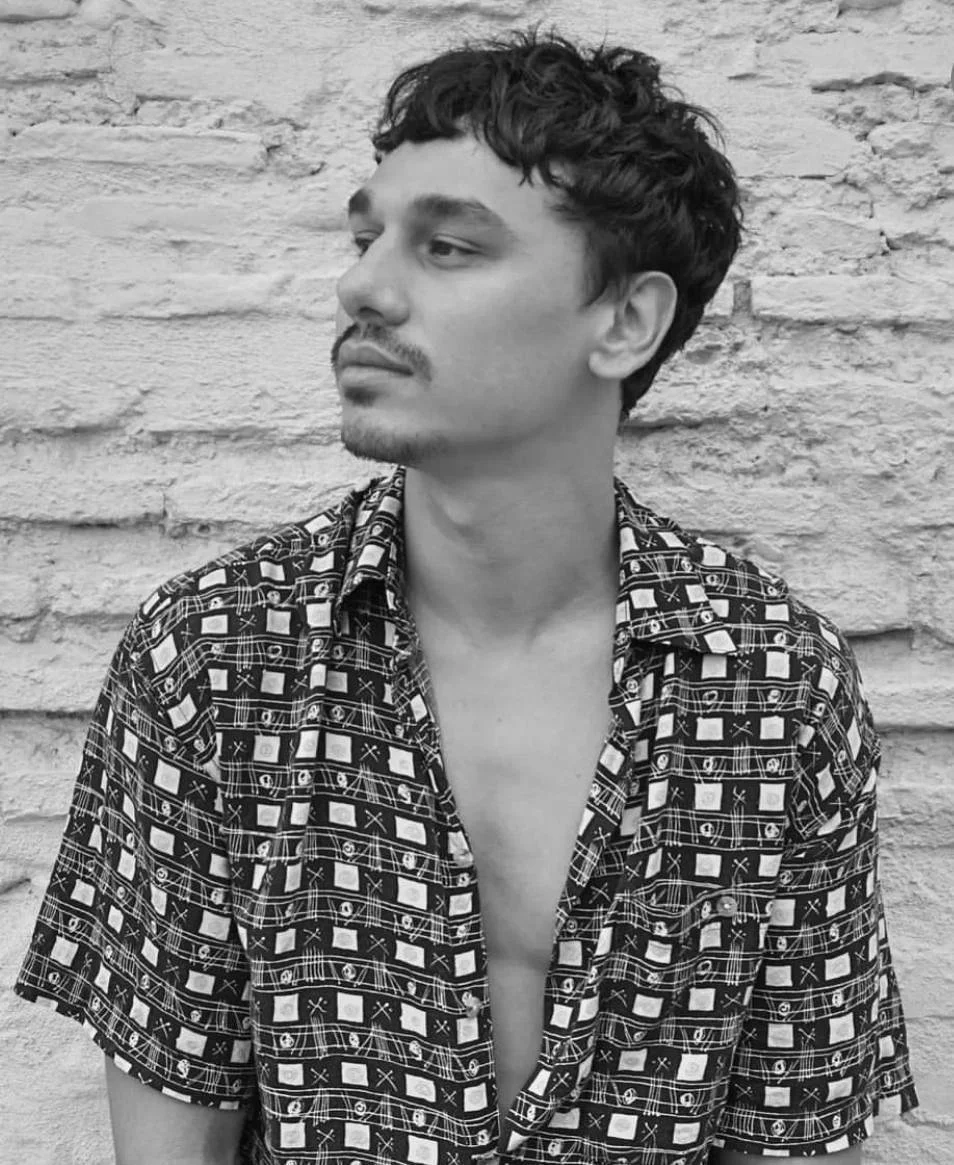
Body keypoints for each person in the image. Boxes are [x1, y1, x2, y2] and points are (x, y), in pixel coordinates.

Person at [15, 22, 917, 1165]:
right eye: (367, 238)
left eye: (447, 247)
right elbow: (170, 1132)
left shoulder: (771, 683)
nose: (362, 286)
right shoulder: (219, 655)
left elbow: (787, 1128)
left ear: (624, 320)